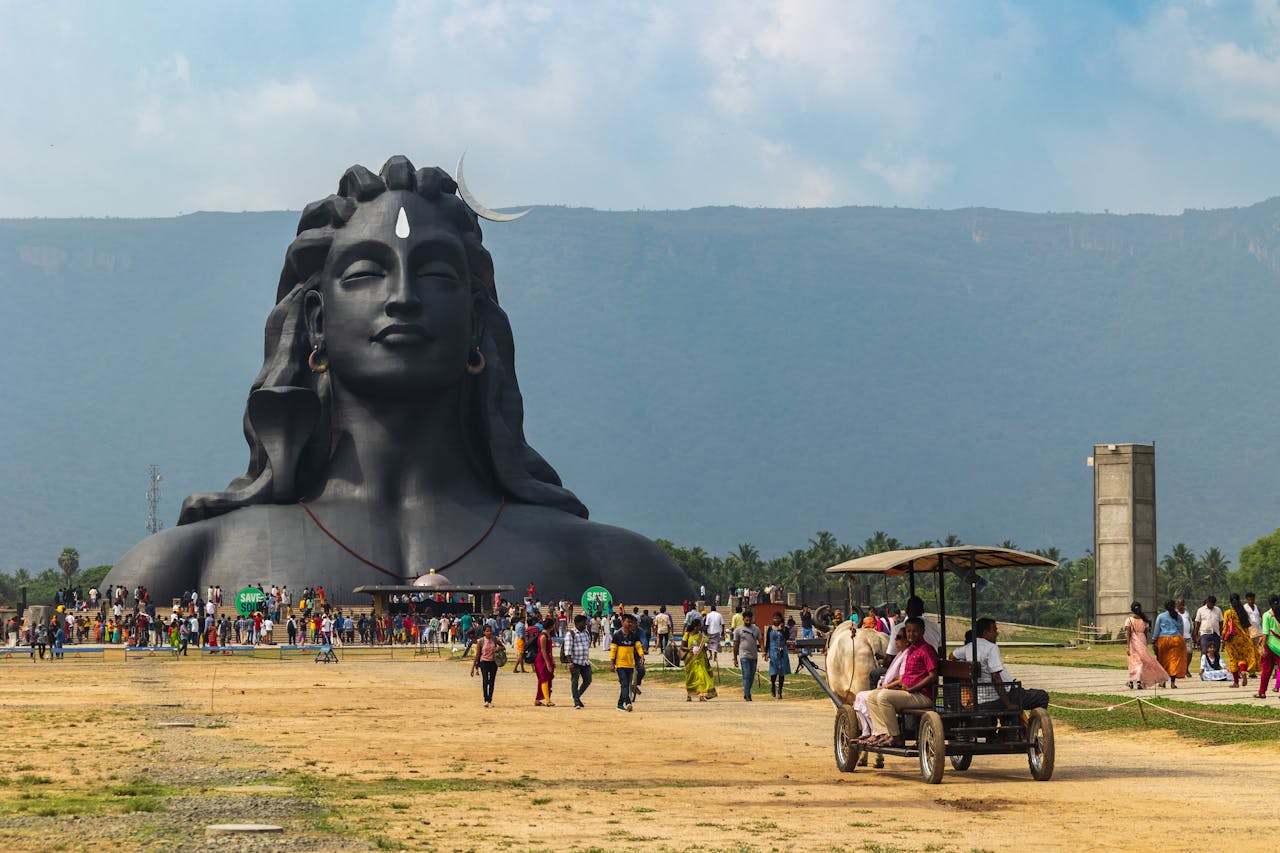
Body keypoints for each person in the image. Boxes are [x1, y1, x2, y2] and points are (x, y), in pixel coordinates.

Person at [101, 155, 695, 605]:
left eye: (436, 274)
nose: (403, 298)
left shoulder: (612, 566)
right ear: (315, 322)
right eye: (366, 273)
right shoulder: (185, 565)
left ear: (476, 322)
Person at [860, 618, 938, 748]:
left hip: (922, 696)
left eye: (915, 631)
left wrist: (913, 688)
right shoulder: (911, 650)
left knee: (883, 697)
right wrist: (899, 687)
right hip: (908, 693)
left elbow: (933, 676)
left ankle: (896, 737)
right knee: (871, 697)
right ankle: (882, 733)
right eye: (908, 631)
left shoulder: (926, 650)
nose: (911, 634)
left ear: (923, 631)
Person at [950, 617, 1049, 709]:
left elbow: (952, 656)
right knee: (1042, 696)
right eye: (994, 630)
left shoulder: (968, 647)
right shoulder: (991, 647)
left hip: (980, 699)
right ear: (985, 633)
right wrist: (1008, 704)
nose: (997, 634)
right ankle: (1032, 725)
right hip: (998, 698)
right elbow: (996, 676)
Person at [1124, 601, 1168, 689]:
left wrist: (1128, 646)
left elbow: (1128, 634)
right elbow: (1145, 633)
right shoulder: (1144, 620)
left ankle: (1137, 681)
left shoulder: (1129, 620)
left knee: (1134, 662)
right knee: (1141, 662)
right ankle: (1132, 681)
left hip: (1133, 641)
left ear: (1132, 609)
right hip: (1142, 640)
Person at [1221, 593, 1258, 688]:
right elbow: (1248, 626)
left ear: (1230, 601)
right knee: (1242, 658)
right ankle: (1243, 672)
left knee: (1233, 659)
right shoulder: (1243, 612)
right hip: (1244, 639)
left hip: (1232, 640)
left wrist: (1223, 638)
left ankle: (1236, 682)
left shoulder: (1228, 613)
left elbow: (1225, 628)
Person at [610, 613, 645, 712]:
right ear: (622, 622)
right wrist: (612, 663)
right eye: (628, 622)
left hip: (630, 664)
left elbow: (638, 646)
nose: (630, 624)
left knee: (626, 684)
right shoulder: (617, 635)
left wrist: (642, 655)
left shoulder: (633, 636)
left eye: (631, 622)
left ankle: (620, 704)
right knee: (624, 684)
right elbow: (613, 649)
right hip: (620, 664)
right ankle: (628, 702)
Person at [681, 615, 717, 702]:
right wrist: (689, 649)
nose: (701, 627)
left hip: (700, 659)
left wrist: (708, 658)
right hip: (690, 660)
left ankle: (701, 695)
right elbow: (682, 647)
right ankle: (689, 695)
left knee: (701, 677)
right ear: (695, 626)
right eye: (700, 625)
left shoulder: (701, 636)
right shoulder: (687, 635)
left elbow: (704, 648)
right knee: (691, 678)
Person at [1152, 600, 1187, 688]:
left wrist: (1154, 640)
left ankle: (1162, 682)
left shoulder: (1161, 616)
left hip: (1163, 640)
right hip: (1176, 639)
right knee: (1174, 661)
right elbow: (1181, 630)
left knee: (1163, 661)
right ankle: (1172, 683)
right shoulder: (1178, 616)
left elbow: (1157, 630)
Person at [470, 623, 504, 707]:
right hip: (484, 662)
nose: (489, 633)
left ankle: (490, 700)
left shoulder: (495, 639)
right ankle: (485, 699)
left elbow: (503, 647)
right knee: (485, 681)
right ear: (484, 632)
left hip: (493, 662)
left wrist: (498, 648)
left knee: (492, 681)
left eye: (490, 631)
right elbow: (477, 654)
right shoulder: (480, 641)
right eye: (487, 631)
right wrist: (473, 667)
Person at [732, 610, 762, 701]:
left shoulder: (756, 629)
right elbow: (735, 645)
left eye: (749, 620)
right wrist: (735, 658)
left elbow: (760, 641)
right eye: (746, 620)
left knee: (752, 675)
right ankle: (748, 694)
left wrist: (764, 651)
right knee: (746, 674)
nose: (748, 621)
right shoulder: (738, 630)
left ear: (752, 619)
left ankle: (747, 691)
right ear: (743, 619)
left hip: (754, 656)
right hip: (743, 655)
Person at [1254, 595, 1280, 698]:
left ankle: (1262, 692)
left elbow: (1265, 633)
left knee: (1266, 670)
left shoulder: (1267, 615)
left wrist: (1263, 647)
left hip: (1270, 645)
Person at [565, 613, 592, 709]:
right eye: (584, 622)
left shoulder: (586, 632)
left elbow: (588, 643)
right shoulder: (571, 633)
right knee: (575, 681)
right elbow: (567, 650)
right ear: (578, 623)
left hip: (585, 661)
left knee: (588, 680)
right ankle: (576, 701)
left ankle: (577, 696)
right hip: (575, 662)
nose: (585, 624)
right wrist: (570, 662)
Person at [764, 611, 791, 698]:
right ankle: (773, 686)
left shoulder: (785, 628)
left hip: (782, 652)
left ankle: (780, 690)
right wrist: (766, 652)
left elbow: (787, 637)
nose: (776, 620)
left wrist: (781, 630)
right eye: (775, 618)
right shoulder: (770, 629)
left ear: (781, 619)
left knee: (782, 672)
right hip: (773, 651)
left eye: (778, 618)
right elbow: (768, 641)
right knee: (773, 671)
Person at [534, 616, 556, 707]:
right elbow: (543, 651)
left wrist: (552, 661)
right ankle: (547, 700)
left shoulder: (548, 635)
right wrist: (547, 663)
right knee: (544, 679)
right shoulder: (543, 636)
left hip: (547, 658)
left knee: (544, 680)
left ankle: (537, 699)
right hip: (541, 660)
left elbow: (549, 650)